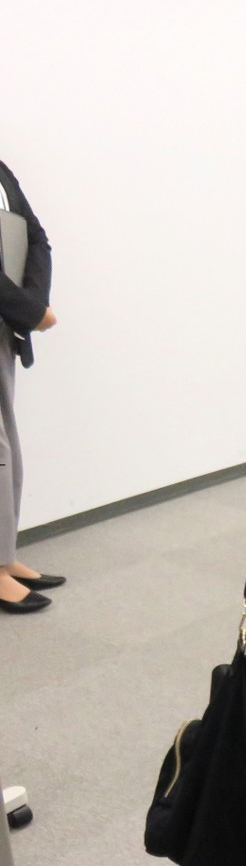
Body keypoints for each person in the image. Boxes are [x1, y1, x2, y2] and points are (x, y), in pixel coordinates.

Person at [0, 159, 64, 615]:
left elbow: (36, 237)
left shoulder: (2, 172)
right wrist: (31, 311)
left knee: (9, 448)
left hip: (5, 326)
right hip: (11, 315)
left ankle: (4, 557)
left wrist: (33, 304)